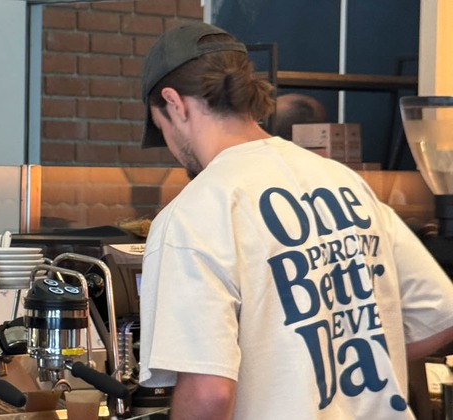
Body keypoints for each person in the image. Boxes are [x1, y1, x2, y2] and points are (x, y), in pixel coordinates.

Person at [137, 20, 453, 419]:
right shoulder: (344, 182)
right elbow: (440, 316)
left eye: (162, 125)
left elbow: (209, 395)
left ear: (174, 103)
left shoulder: (194, 215)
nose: (170, 146)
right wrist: (339, 362)